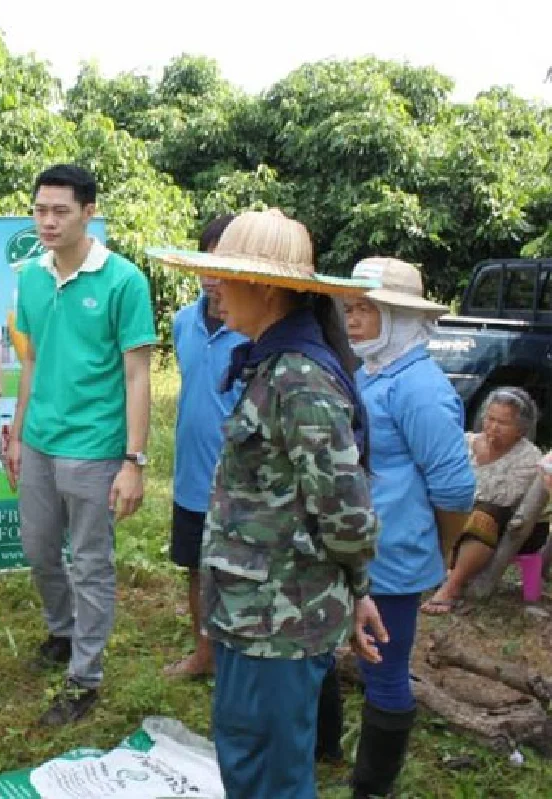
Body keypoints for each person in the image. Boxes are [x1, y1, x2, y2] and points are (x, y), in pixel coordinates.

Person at [150, 208, 385, 799]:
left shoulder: (299, 380)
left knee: (270, 774)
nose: (215, 293)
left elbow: (348, 515)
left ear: (261, 287)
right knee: (244, 753)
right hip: (249, 611)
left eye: (223, 279)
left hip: (281, 621)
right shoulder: (268, 365)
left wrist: (357, 591)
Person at [4, 163, 155, 726]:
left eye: (60, 210)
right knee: (40, 549)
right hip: (40, 440)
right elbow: (34, 360)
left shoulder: (123, 281)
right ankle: (62, 632)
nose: (48, 221)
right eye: (40, 210)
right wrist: (18, 435)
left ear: (89, 212)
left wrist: (133, 460)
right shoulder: (32, 277)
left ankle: (84, 678)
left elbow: (138, 375)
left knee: (90, 562)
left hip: (94, 446)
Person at [319, 257, 475, 796]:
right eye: (351, 308)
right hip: (355, 548)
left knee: (383, 670)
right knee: (325, 649)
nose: (354, 319)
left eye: (369, 309)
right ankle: (325, 749)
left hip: (394, 558)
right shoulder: (373, 371)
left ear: (403, 318)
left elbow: (455, 488)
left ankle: (372, 786)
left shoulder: (419, 387)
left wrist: (443, 546)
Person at [164, 213, 245, 680]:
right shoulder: (183, 323)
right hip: (193, 477)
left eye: (226, 261)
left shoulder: (257, 331)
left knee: (240, 573)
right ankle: (204, 654)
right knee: (195, 567)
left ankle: (238, 660)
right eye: (208, 259)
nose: (214, 273)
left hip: (242, 484)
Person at [422, 385, 547, 615]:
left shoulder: (529, 457)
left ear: (521, 429)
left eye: (502, 423)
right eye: (489, 419)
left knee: (483, 514)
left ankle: (451, 588)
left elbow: (504, 498)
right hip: (459, 512)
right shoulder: (465, 442)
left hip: (505, 524)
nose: (493, 427)